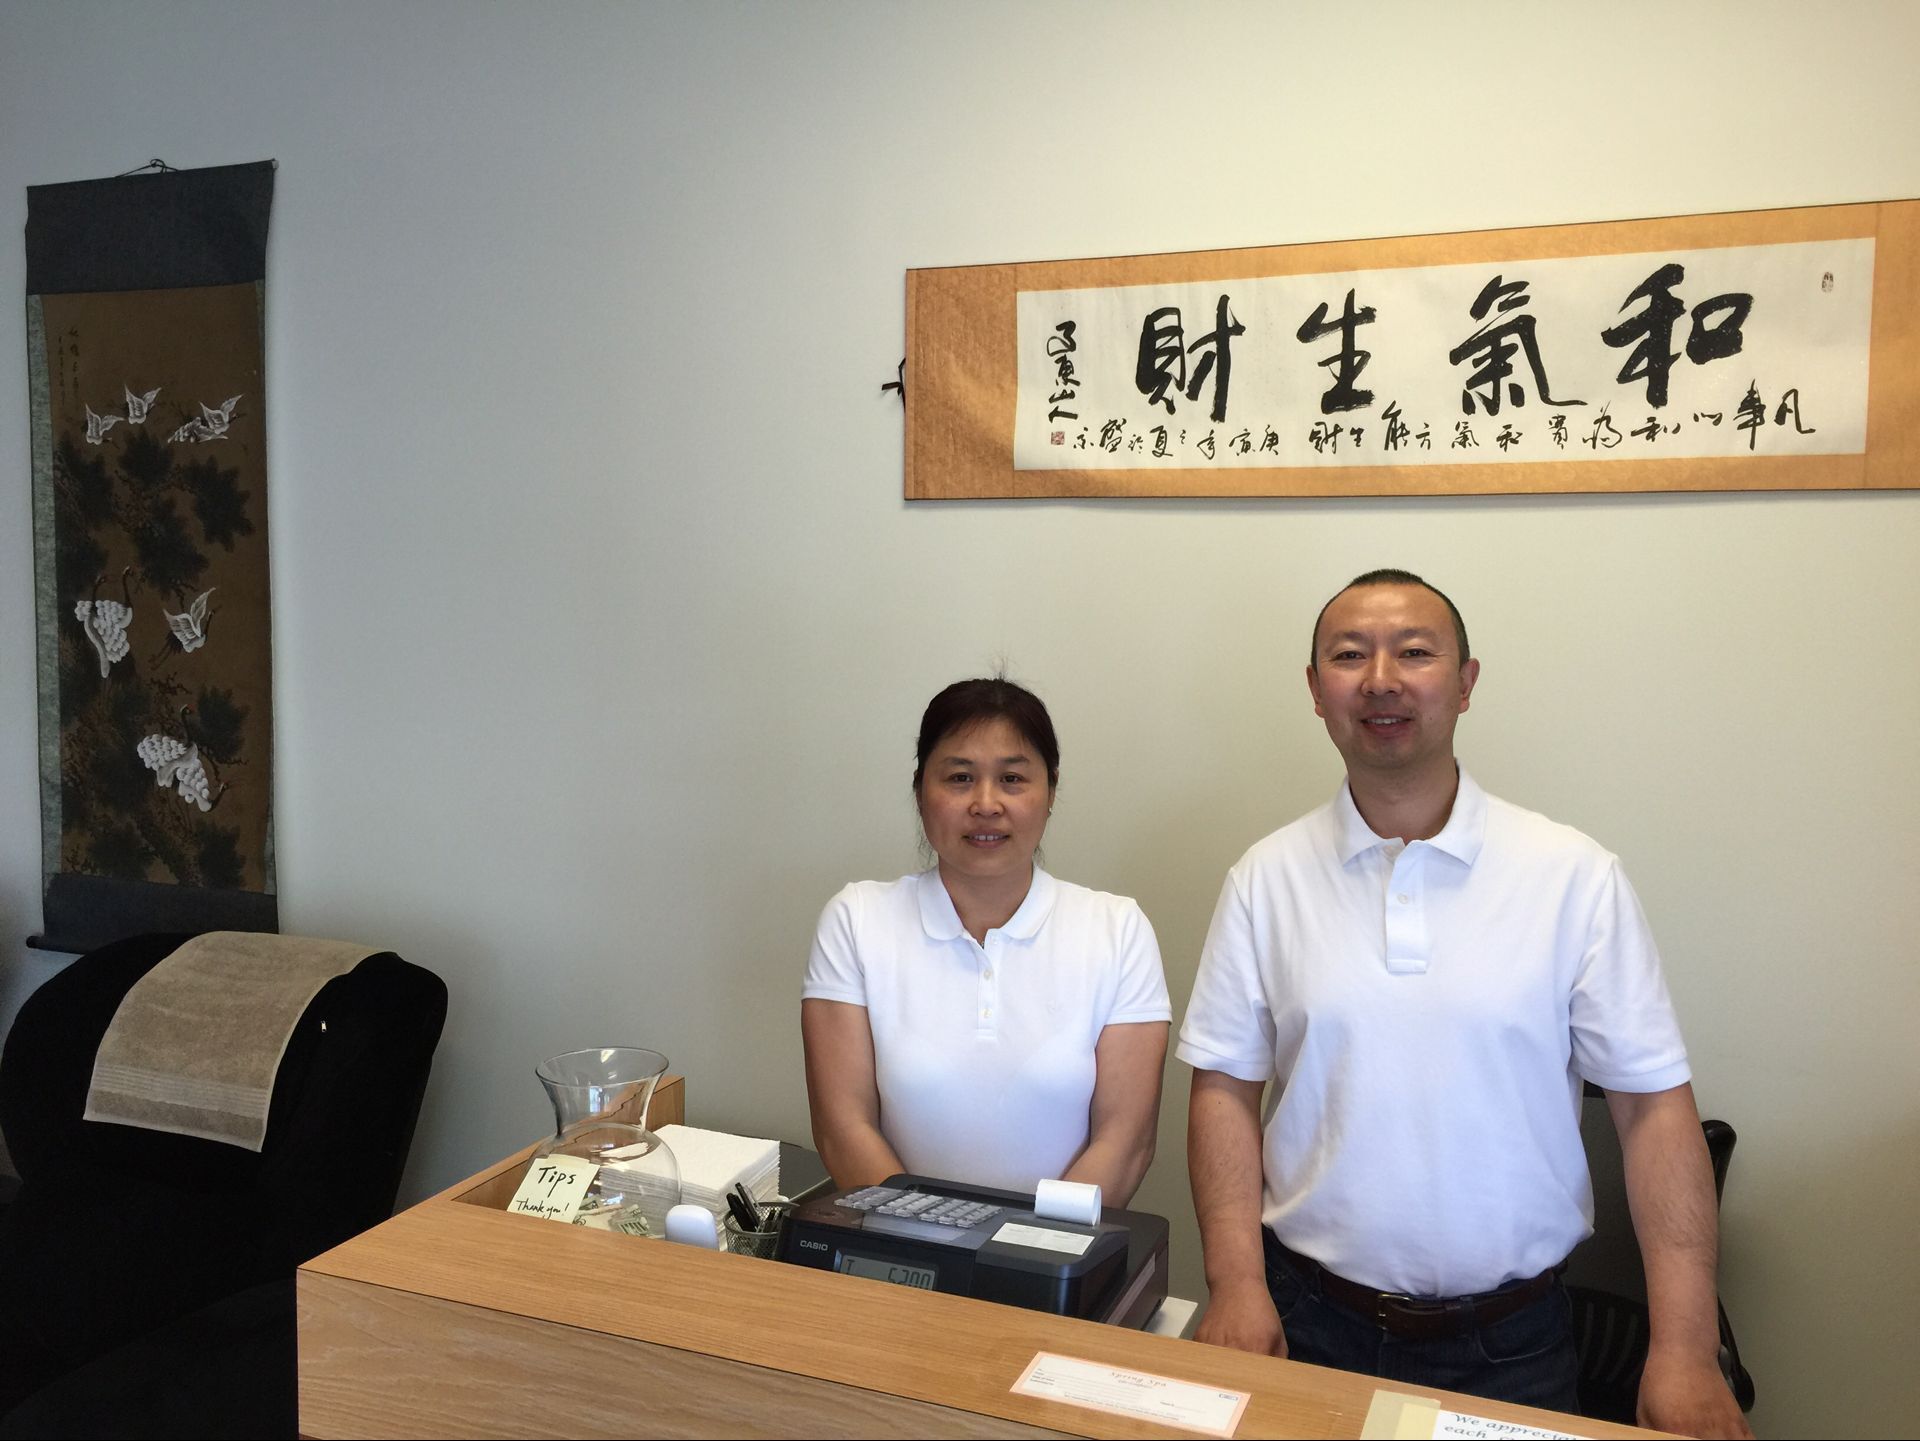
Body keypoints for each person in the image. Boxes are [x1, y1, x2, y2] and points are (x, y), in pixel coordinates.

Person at [1180, 570, 1751, 1439]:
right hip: (1310, 1321)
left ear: (1466, 682)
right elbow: (1224, 1089)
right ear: (1316, 690)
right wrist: (1235, 1284)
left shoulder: (1571, 875)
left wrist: (1686, 1350)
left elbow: (1652, 1110)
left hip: (1515, 1344)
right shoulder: (1265, 878)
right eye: (1349, 655)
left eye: (1414, 652)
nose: (1381, 679)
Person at [802, 677, 1171, 1203]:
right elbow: (844, 1128)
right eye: (959, 778)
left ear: (1051, 792)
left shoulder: (1117, 929)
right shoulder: (857, 919)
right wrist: (928, 1242)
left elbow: (1126, 1141)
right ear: (920, 791)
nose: (986, 803)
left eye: (1012, 779)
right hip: (895, 1243)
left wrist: (1031, 1248)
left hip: (1059, 1250)